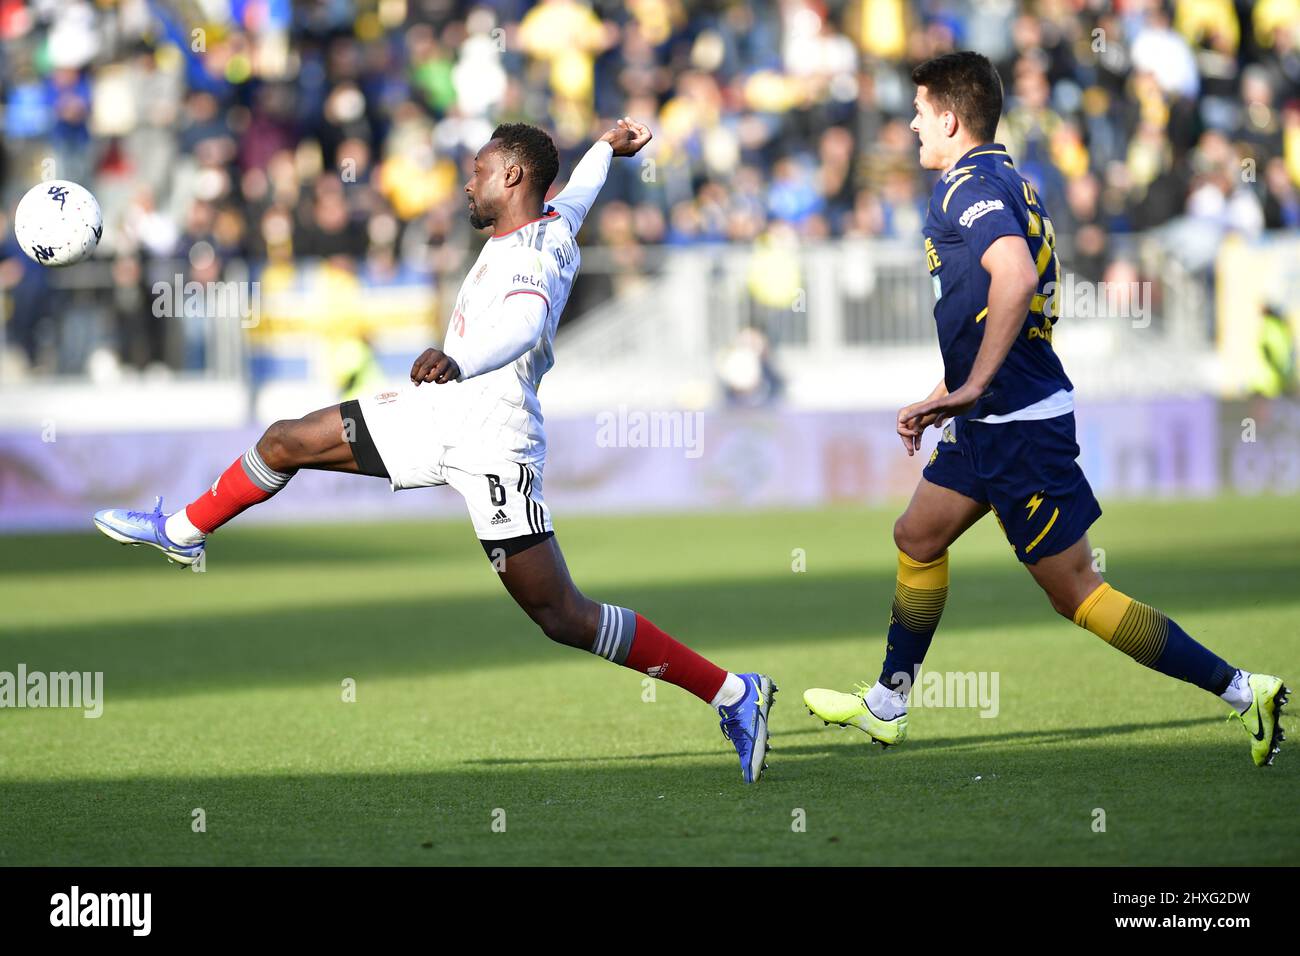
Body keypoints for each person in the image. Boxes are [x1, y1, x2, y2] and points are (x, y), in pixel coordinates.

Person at [93, 119, 777, 783]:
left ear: (513, 176)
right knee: (285, 440)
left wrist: (459, 360)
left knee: (562, 615)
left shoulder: (530, 256)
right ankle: (184, 531)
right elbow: (578, 191)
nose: (467, 185)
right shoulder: (554, 221)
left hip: (495, 441)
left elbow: (525, 322)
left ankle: (733, 693)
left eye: (478, 172)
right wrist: (604, 146)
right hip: (433, 415)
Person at [802, 52, 1287, 767]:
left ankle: (1246, 691)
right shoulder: (1012, 181)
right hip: (991, 416)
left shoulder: (966, 188)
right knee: (918, 535)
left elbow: (1015, 278)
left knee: (1078, 593)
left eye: (919, 111)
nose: (910, 126)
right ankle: (888, 703)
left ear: (951, 119)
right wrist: (950, 392)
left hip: (1017, 424)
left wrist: (971, 387)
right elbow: (995, 306)